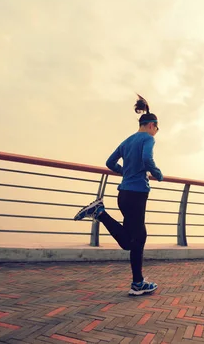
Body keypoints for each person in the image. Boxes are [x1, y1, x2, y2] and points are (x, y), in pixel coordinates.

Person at [73, 94, 164, 296]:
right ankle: (100, 213)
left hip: (124, 194)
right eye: (156, 129)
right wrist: (157, 174)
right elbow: (148, 159)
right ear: (152, 126)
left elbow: (110, 162)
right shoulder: (148, 139)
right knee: (138, 239)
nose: (155, 133)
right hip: (137, 194)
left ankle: (138, 282)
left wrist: (126, 172)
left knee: (132, 241)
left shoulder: (127, 141)